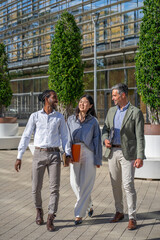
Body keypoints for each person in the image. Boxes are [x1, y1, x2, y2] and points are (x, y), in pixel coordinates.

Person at [15, 90, 68, 232]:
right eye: (54, 97)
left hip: (54, 155)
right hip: (38, 154)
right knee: (35, 187)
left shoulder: (59, 117)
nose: (56, 99)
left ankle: (51, 217)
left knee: (54, 188)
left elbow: (65, 136)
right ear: (46, 99)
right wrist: (19, 156)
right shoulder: (35, 116)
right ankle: (39, 210)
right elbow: (26, 136)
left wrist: (67, 153)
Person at [102, 83, 145, 230]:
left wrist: (140, 156)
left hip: (128, 154)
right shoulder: (111, 111)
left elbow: (140, 136)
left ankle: (132, 217)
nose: (112, 98)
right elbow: (105, 129)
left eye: (114, 95)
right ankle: (119, 211)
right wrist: (105, 138)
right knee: (115, 184)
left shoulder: (136, 112)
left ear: (123, 95)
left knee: (128, 185)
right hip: (112, 152)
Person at [65, 94, 102, 225]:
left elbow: (97, 141)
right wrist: (67, 154)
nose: (82, 104)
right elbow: (67, 137)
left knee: (86, 183)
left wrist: (98, 159)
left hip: (89, 152)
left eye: (86, 102)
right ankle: (89, 203)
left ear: (90, 106)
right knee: (74, 182)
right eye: (81, 101)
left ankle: (79, 214)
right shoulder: (70, 119)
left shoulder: (93, 121)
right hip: (75, 150)